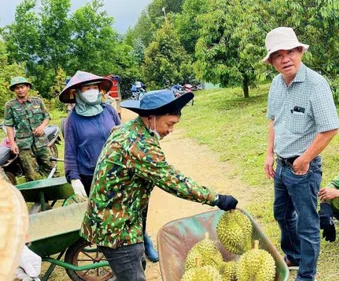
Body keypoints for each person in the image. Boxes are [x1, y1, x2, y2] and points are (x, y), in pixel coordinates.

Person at [80, 90, 238, 280]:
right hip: (116, 229)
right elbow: (173, 180)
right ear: (151, 117)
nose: (171, 131)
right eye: (169, 124)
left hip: (119, 219)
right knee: (133, 274)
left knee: (135, 265)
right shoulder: (139, 144)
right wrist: (217, 199)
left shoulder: (128, 129)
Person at [263, 27, 339, 281]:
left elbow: (329, 128)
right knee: (281, 214)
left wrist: (305, 159)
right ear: (272, 61)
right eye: (278, 55)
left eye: (290, 52)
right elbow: (274, 120)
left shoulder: (316, 85)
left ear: (300, 52)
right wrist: (269, 155)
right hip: (282, 165)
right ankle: (294, 255)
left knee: (307, 224)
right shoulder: (276, 83)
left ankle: (307, 275)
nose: (285, 59)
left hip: (304, 168)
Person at [59, 71, 122, 197]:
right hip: (91, 176)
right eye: (87, 88)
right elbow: (70, 151)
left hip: (116, 170)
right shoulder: (72, 119)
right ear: (78, 92)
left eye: (95, 87)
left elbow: (123, 137)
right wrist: (74, 178)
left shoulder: (108, 110)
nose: (92, 91)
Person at [4, 76, 56, 181]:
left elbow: (47, 117)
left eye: (22, 87)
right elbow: (9, 125)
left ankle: (57, 192)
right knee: (31, 174)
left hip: (40, 142)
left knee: (51, 168)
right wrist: (12, 143)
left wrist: (42, 127)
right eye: (17, 88)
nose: (20, 90)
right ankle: (37, 196)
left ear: (28, 87)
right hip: (24, 145)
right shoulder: (10, 105)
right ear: (14, 90)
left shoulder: (38, 101)